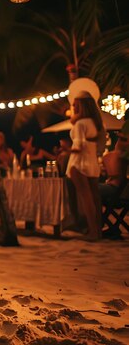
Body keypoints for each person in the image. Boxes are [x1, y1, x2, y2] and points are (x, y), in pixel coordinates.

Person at [67, 91, 105, 241]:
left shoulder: (80, 124)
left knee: (86, 198)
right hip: (92, 162)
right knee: (95, 197)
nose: (74, 107)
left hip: (79, 163)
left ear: (82, 106)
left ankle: (92, 232)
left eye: (76, 105)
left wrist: (64, 150)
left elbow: (78, 146)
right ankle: (98, 230)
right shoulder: (96, 123)